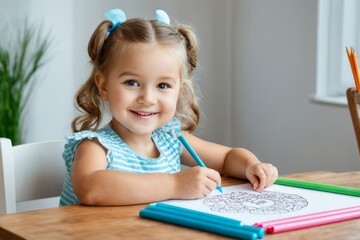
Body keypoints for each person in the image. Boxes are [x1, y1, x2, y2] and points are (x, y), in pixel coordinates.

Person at [59, 9, 278, 207]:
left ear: (179, 91)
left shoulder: (171, 139)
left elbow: (227, 157)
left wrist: (252, 165)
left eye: (163, 85)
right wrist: (174, 185)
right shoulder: (95, 147)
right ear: (104, 86)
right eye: (132, 83)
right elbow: (92, 189)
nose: (147, 98)